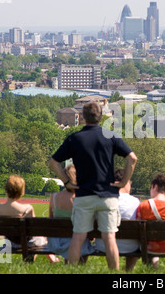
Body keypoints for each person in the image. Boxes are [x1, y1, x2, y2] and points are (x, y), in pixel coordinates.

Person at [49, 101, 137, 270]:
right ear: (101, 117)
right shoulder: (110, 136)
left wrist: (66, 181)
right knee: (109, 237)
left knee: (78, 236)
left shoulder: (74, 138)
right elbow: (132, 158)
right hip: (108, 196)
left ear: (83, 118)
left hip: (84, 195)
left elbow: (53, 162)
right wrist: (124, 182)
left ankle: (72, 271)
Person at [0, 175, 59, 263]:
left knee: (36, 238)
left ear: (6, 189)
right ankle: (51, 259)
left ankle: (33, 263)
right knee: (39, 238)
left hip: (10, 243)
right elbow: (34, 229)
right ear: (22, 191)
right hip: (27, 243)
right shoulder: (27, 208)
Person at [47, 164, 96, 263]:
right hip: (79, 242)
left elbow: (50, 220)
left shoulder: (54, 197)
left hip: (57, 242)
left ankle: (68, 265)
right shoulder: (83, 199)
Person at [94, 168, 141, 271]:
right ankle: (128, 271)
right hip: (130, 246)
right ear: (126, 182)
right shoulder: (136, 202)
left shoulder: (101, 200)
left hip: (103, 245)